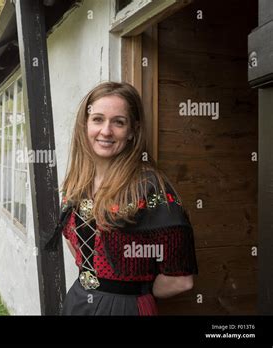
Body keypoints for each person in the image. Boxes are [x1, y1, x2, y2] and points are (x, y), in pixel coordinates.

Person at [45, 81, 198, 315]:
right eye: (97, 119)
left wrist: (130, 293)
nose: (106, 131)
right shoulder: (76, 183)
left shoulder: (151, 188)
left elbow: (180, 280)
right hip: (77, 301)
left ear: (132, 131)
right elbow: (75, 245)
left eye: (118, 122)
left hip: (124, 307)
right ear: (85, 125)